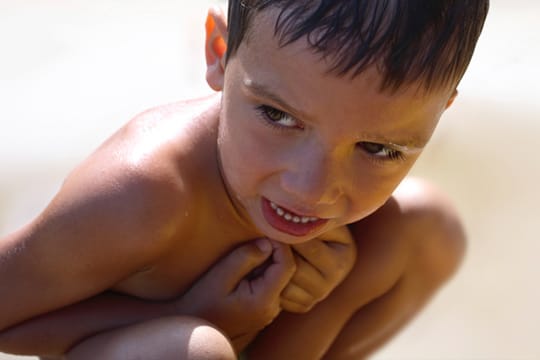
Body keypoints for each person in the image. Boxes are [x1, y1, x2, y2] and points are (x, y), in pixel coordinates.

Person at [0, 1, 489, 359]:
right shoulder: (145, 192)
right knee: (190, 352)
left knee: (427, 230)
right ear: (219, 49)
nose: (311, 188)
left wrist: (328, 300)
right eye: (277, 116)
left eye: (379, 149)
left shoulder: (321, 197)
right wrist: (196, 313)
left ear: (441, 110)